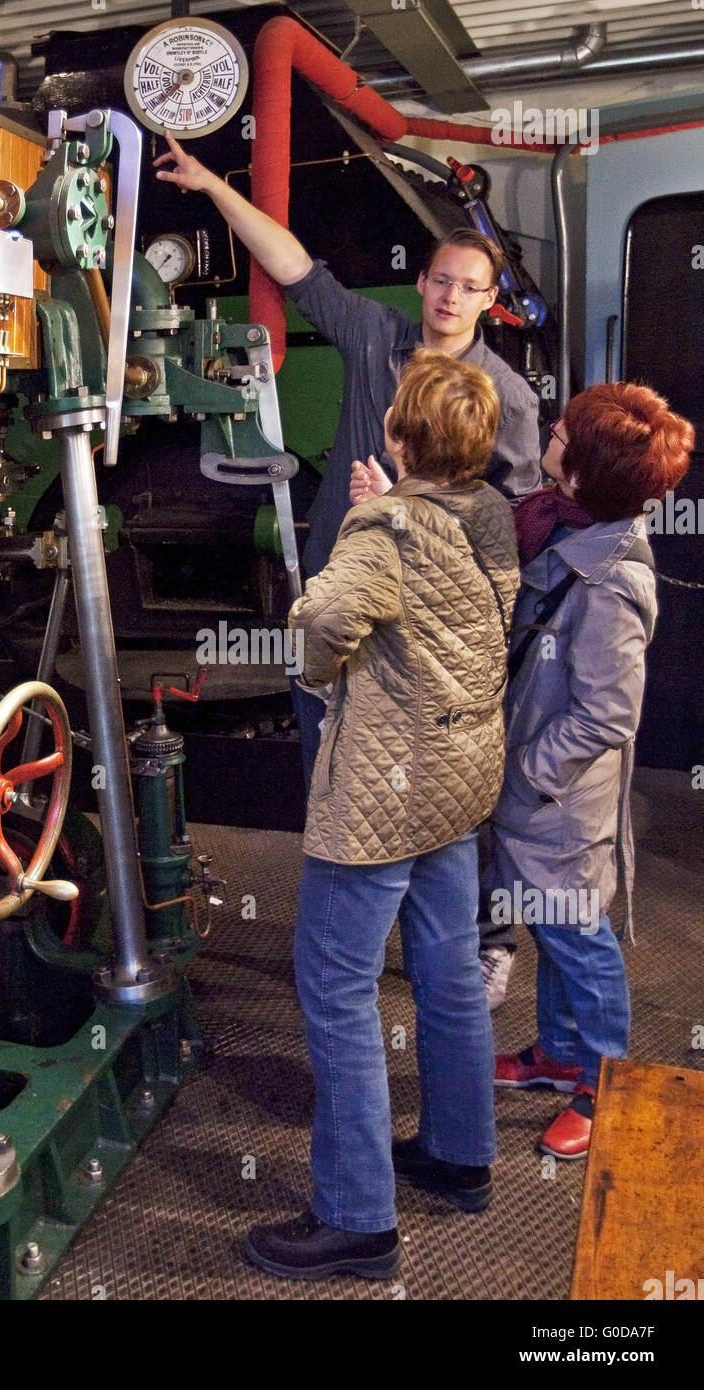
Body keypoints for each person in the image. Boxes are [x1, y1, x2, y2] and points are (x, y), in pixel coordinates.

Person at [156, 132, 538, 1005]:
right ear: (422, 284)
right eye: (438, 279)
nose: (447, 296)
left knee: (455, 797)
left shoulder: (504, 399)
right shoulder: (373, 335)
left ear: (490, 302)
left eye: (467, 286)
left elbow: (511, 530)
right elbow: (294, 267)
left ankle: (483, 942)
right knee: (335, 778)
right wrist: (216, 186)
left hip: (435, 638)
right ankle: (356, 937)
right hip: (342, 615)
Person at [238, 350, 520, 1281]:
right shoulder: (490, 514)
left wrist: (316, 673)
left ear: (399, 439)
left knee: (335, 986)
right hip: (458, 773)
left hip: (382, 791)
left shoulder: (385, 529)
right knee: (444, 967)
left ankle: (356, 1216)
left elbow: (323, 622)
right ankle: (458, 1154)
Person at [484, 382, 693, 1159]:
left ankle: (606, 1083)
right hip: (536, 790)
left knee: (578, 939)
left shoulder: (611, 580)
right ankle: (557, 1054)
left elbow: (606, 716)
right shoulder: (556, 522)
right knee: (549, 926)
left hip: (557, 799)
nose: (553, 427)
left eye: (565, 430)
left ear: (581, 472)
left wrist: (524, 777)